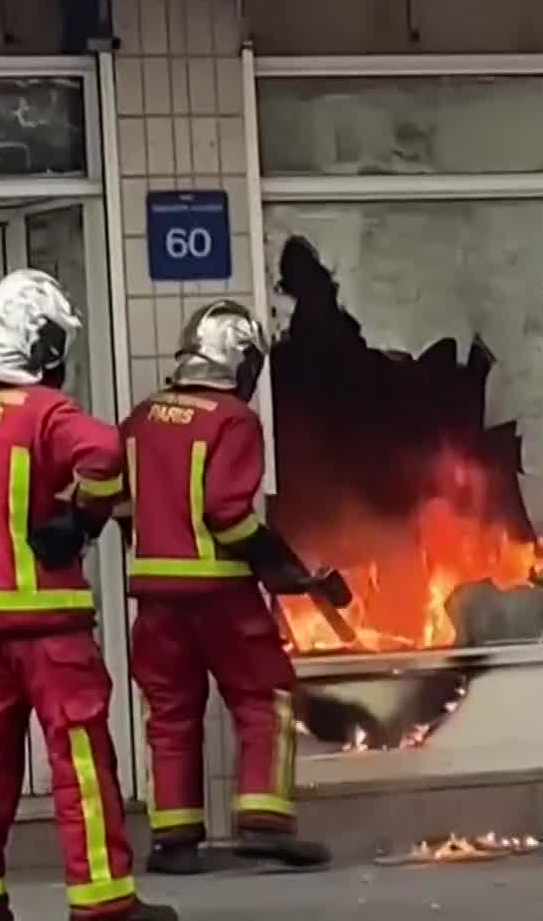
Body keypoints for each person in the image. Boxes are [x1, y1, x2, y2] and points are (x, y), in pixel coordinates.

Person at [0, 269, 176, 921]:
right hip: (51, 635)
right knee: (81, 773)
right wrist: (82, 519)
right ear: (43, 347)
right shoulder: (50, 414)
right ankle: (104, 905)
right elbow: (106, 452)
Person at [118, 299, 352, 875]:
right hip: (220, 593)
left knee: (170, 711)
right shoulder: (232, 421)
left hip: (153, 597)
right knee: (263, 698)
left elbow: (119, 502)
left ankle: (174, 842)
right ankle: (264, 823)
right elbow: (228, 514)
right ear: (238, 361)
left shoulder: (142, 418)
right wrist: (275, 562)